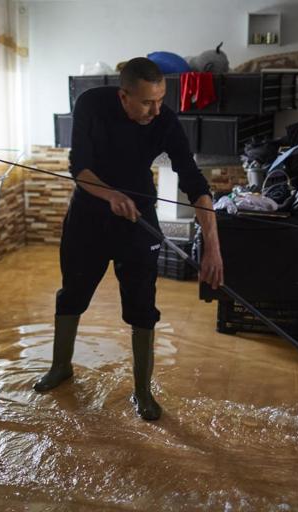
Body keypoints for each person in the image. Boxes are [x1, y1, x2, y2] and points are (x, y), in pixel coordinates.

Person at [33, 57, 224, 421]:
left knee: (141, 302)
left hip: (138, 216)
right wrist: (110, 196)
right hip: (89, 215)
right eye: (147, 102)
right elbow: (80, 168)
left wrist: (212, 248)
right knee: (73, 291)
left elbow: (194, 180)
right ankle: (61, 367)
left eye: (161, 99)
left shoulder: (163, 120)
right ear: (123, 97)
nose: (156, 110)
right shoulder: (91, 104)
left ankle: (142, 392)